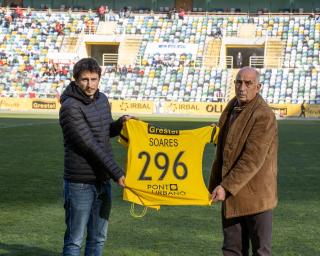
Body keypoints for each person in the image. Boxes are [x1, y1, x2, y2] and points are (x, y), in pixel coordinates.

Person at [59, 58, 132, 256]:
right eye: (84, 80)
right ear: (75, 80)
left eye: (94, 79)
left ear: (100, 78)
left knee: (98, 238)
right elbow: (89, 144)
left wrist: (121, 123)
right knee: (75, 240)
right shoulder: (70, 107)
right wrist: (117, 173)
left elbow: (104, 132)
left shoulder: (102, 99)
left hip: (102, 179)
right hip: (80, 182)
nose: (90, 84)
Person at [208, 67, 278, 256]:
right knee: (232, 250)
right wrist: (213, 185)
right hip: (232, 197)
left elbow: (252, 159)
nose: (242, 87)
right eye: (239, 82)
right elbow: (222, 152)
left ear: (258, 87)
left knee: (260, 252)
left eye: (248, 83)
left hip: (257, 197)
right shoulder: (231, 107)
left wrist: (225, 186)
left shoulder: (263, 115)